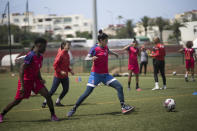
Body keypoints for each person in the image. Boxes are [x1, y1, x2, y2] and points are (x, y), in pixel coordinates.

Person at [67, 30, 134, 117]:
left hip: (106, 75)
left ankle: (123, 107)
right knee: (87, 93)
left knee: (119, 87)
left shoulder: (105, 47)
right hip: (95, 75)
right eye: (106, 40)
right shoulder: (95, 48)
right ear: (101, 40)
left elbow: (108, 51)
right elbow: (86, 58)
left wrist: (114, 54)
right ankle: (74, 109)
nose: (107, 42)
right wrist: (92, 58)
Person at [0, 38, 59, 123]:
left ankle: (53, 115)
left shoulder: (40, 57)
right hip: (26, 81)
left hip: (35, 80)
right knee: (17, 101)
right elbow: (21, 70)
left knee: (47, 95)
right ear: (39, 45)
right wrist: (22, 86)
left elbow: (37, 69)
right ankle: (2, 114)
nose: (45, 49)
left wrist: (40, 78)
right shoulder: (30, 55)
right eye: (44, 47)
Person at [42, 41, 74, 108]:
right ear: (63, 46)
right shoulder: (60, 54)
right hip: (58, 76)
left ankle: (58, 101)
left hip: (65, 76)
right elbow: (55, 65)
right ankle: (45, 101)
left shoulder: (67, 54)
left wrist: (70, 71)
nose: (69, 46)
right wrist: (61, 71)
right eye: (68, 45)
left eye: (69, 45)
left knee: (66, 89)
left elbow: (66, 65)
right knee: (52, 90)